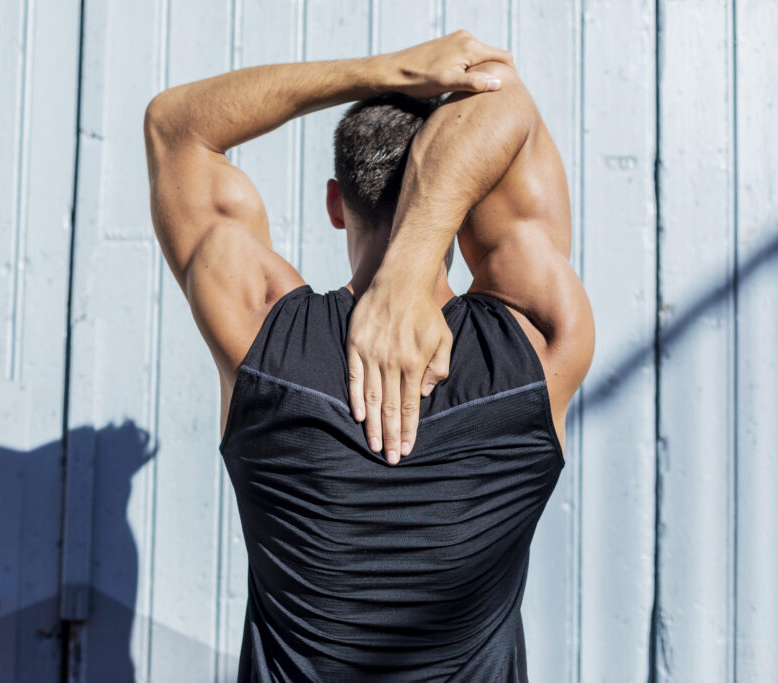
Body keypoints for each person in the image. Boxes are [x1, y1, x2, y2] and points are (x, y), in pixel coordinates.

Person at [143, 30, 594, 682]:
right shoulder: (536, 345)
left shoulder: (264, 337)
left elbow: (174, 127)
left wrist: (383, 71)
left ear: (336, 204)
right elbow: (505, 95)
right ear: (469, 202)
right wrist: (415, 265)